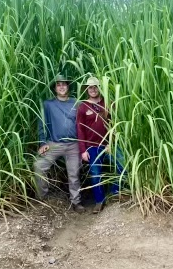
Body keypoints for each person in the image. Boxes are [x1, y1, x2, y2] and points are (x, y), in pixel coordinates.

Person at [34, 75, 85, 213]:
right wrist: (42, 143)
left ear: (68, 87)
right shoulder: (48, 104)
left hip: (73, 144)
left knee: (74, 173)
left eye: (64, 84)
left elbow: (83, 124)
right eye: (58, 85)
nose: (62, 87)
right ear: (55, 88)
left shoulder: (77, 103)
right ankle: (42, 198)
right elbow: (41, 124)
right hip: (54, 144)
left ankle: (76, 202)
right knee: (39, 166)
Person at [77, 76, 125, 214]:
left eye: (96, 86)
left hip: (109, 144)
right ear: (86, 89)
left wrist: (112, 142)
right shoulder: (82, 106)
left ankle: (114, 193)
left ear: (100, 87)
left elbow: (115, 124)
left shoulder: (108, 103)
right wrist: (83, 150)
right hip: (92, 146)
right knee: (95, 173)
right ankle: (99, 200)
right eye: (90, 87)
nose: (93, 89)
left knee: (122, 166)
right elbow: (79, 129)